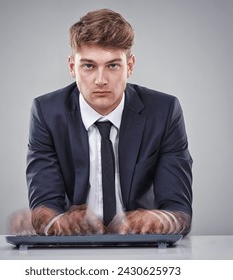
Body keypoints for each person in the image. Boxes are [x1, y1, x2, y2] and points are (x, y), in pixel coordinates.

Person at [26, 9, 193, 236]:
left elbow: (179, 209)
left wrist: (158, 219)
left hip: (143, 248)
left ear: (130, 66)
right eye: (89, 66)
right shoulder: (47, 113)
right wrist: (54, 221)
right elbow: (44, 204)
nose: (101, 80)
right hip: (71, 249)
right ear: (72, 67)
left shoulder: (164, 112)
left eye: (113, 66)